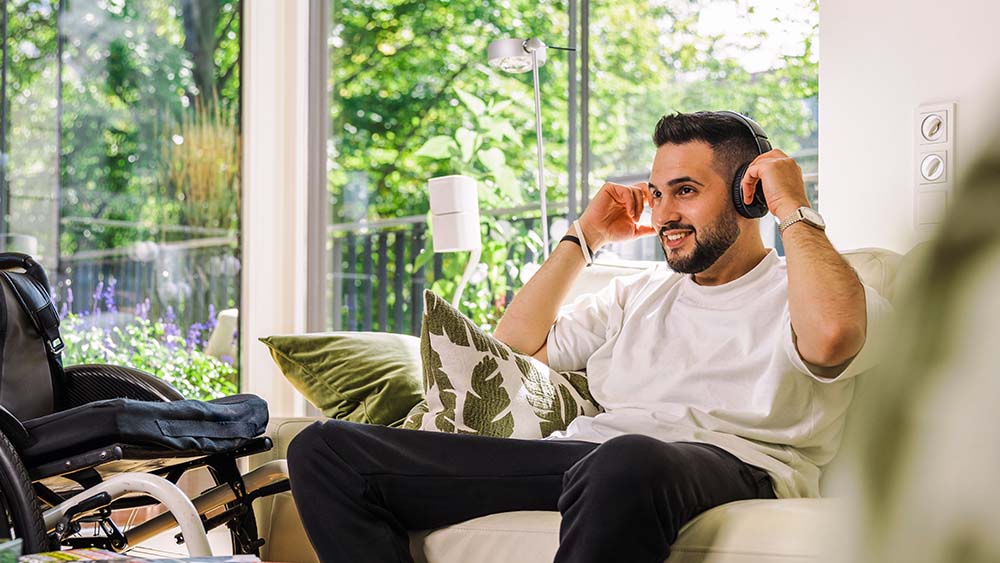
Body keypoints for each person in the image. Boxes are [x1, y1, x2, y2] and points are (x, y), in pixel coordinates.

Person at [286, 111, 892, 563]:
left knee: (627, 458)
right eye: (657, 193)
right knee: (325, 450)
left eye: (686, 190)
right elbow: (515, 346)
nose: (664, 214)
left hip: (732, 463)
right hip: (590, 462)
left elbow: (834, 337)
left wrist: (795, 206)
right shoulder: (637, 294)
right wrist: (584, 236)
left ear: (748, 194)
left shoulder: (813, 287)